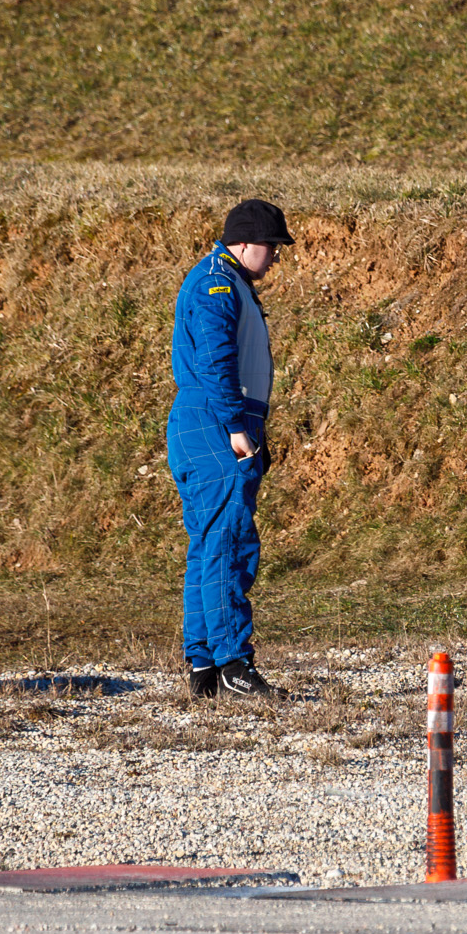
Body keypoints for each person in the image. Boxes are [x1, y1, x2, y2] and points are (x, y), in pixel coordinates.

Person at [168, 199, 294, 698]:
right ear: (243, 243)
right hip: (214, 422)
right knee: (228, 543)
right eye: (271, 246)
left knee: (208, 546)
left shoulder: (226, 279)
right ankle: (232, 662)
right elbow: (216, 360)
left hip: (207, 421)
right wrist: (236, 427)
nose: (276, 256)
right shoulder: (216, 283)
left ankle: (203, 668)